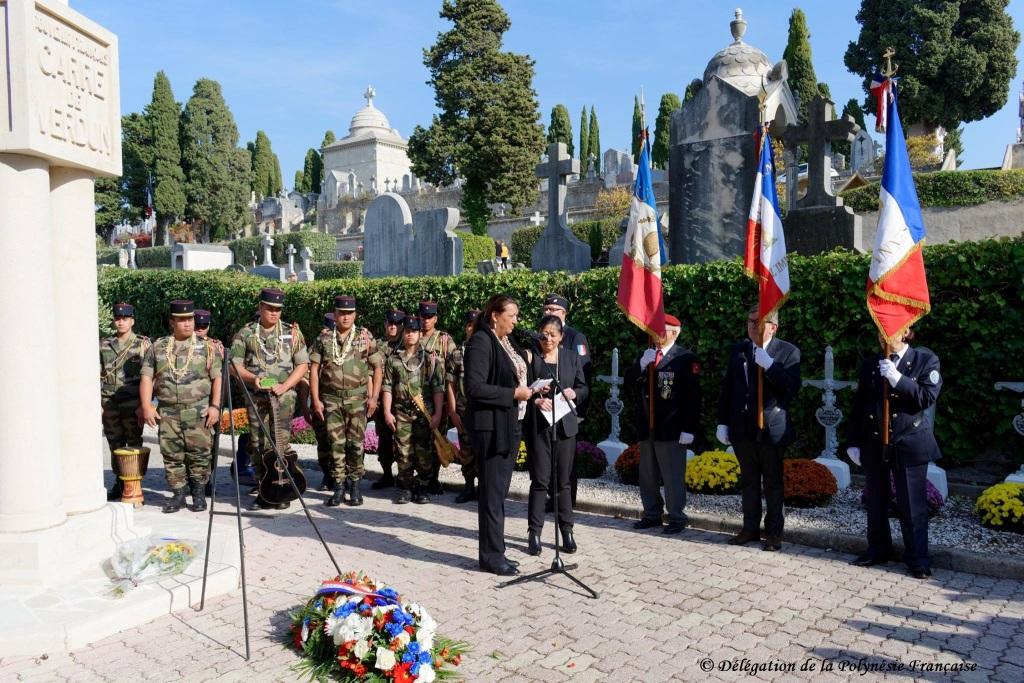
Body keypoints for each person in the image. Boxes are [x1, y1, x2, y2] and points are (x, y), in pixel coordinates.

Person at [847, 329, 942, 579]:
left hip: (909, 441)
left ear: (907, 331)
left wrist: (898, 378)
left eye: (889, 329)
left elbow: (926, 397)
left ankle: (918, 558)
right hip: (875, 442)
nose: (882, 335)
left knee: (912, 505)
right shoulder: (871, 364)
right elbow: (860, 404)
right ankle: (878, 549)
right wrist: (853, 441)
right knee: (875, 501)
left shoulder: (925, 360)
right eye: (879, 329)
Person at [716, 305, 801, 551]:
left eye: (758, 322)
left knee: (773, 483)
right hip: (742, 428)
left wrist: (770, 366)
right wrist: (723, 422)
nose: (753, 326)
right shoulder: (739, 350)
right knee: (749, 482)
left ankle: (774, 533)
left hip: (771, 428)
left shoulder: (788, 352)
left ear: (773, 327)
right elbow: (729, 390)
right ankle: (749, 528)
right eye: (750, 322)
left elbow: (791, 388)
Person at [464, 294, 536, 576]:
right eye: (512, 315)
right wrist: (513, 394)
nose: (516, 321)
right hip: (491, 428)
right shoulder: (482, 342)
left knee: (499, 492)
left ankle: (496, 550)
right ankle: (492, 556)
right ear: (495, 315)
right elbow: (475, 387)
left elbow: (518, 371)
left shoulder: (506, 341)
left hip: (509, 424)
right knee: (492, 495)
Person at [139, 300, 222, 513]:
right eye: (181, 320)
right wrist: (147, 406)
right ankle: (177, 494)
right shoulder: (158, 347)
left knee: (200, 454)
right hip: (168, 411)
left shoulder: (207, 348)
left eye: (190, 319)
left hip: (197, 410)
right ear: (171, 322)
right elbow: (147, 377)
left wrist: (215, 406)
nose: (187, 324)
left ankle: (198, 493)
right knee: (171, 454)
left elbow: (217, 379)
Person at [230, 287, 309, 511]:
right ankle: (263, 489)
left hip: (283, 398)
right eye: (270, 308)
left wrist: (285, 385)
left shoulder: (291, 333)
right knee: (257, 443)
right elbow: (235, 366)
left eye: (278, 309)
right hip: (257, 398)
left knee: (280, 443)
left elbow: (302, 364)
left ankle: (280, 491)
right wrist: (252, 379)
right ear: (260, 307)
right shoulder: (246, 334)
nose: (274, 313)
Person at [626, 314, 701, 535]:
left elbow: (693, 397)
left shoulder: (686, 358)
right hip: (647, 425)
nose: (657, 334)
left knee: (672, 475)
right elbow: (629, 382)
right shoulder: (646, 354)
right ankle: (652, 514)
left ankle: (677, 517)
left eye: (663, 330)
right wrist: (641, 364)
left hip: (672, 427)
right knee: (647, 475)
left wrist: (689, 428)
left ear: (675, 333)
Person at [524, 315, 588, 555]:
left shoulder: (571, 358)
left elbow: (584, 388)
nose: (548, 338)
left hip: (565, 426)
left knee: (563, 482)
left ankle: (567, 531)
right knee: (540, 480)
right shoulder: (532, 358)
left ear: (561, 337)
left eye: (553, 334)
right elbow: (523, 389)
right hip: (540, 428)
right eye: (544, 333)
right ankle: (535, 532)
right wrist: (536, 399)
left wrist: (574, 393)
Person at [309, 296, 382, 507]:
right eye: (342, 313)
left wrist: (374, 397)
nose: (346, 317)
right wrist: (315, 400)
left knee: (355, 444)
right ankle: (339, 486)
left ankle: (355, 485)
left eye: (350, 313)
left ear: (355, 315)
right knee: (336, 444)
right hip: (331, 400)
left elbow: (378, 367)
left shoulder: (365, 337)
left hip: (357, 400)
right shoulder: (324, 338)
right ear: (335, 314)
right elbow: (313, 370)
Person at [381, 316, 444, 504]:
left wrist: (438, 413)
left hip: (424, 413)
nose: (410, 335)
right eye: (408, 331)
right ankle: (405, 487)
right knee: (403, 451)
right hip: (401, 413)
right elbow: (387, 387)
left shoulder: (430, 359)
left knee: (424, 451)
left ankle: (422, 487)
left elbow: (438, 388)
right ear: (404, 332)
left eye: (414, 332)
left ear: (419, 334)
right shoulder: (394, 359)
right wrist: (386, 411)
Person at [539, 293, 592, 508]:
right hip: (545, 408)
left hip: (567, 408)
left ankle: (566, 503)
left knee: (566, 463)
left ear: (564, 313)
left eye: (554, 310)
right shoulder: (540, 336)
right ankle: (552, 498)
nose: (549, 313)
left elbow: (584, 378)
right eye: (546, 309)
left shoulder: (575, 337)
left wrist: (579, 408)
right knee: (548, 460)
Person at [99, 303, 150, 501]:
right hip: (110, 402)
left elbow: (149, 377)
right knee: (115, 443)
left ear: (132, 321)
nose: (121, 322)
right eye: (118, 319)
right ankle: (120, 482)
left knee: (134, 442)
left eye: (125, 319)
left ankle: (134, 484)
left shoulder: (143, 345)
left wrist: (144, 404)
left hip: (133, 402)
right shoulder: (104, 345)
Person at [418, 301, 455, 495]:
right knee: (419, 441)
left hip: (438, 398)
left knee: (437, 439)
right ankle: (421, 478)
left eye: (430, 317)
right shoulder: (411, 336)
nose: (426, 321)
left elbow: (453, 369)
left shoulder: (444, 340)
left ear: (436, 318)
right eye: (423, 317)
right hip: (417, 397)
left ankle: (434, 479)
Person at [446, 309, 481, 503]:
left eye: (476, 326)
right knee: (466, 451)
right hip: (463, 411)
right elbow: (450, 385)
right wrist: (452, 411)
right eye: (470, 326)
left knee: (482, 450)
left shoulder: (487, 352)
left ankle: (483, 489)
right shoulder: (457, 354)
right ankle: (468, 487)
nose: (472, 330)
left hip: (482, 412)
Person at [372, 309, 406, 490]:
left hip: (401, 402)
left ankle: (404, 477)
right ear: (385, 324)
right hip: (381, 403)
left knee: (404, 442)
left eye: (397, 324)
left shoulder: (407, 345)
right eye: (390, 323)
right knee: (384, 441)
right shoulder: (377, 346)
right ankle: (386, 475)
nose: (393, 326)